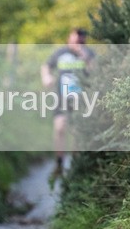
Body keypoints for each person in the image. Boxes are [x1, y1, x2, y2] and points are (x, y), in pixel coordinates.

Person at [40, 28, 95, 177]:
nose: (76, 42)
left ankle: (76, 166)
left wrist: (84, 57)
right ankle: (59, 163)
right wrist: (47, 77)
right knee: (59, 128)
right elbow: (46, 66)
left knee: (78, 131)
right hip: (62, 97)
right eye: (74, 39)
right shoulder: (61, 53)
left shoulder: (89, 53)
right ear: (69, 38)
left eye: (79, 40)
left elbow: (96, 71)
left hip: (81, 98)